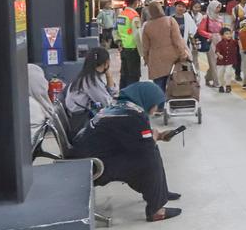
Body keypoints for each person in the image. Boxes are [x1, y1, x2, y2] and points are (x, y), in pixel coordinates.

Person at [69, 82, 183, 222]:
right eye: (155, 105)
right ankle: (157, 211)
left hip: (86, 159)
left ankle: (161, 193)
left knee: (151, 150)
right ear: (147, 99)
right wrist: (154, 137)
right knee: (150, 157)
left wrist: (158, 136)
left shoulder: (120, 107)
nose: (155, 110)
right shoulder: (133, 115)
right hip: (95, 166)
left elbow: (131, 138)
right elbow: (145, 148)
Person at [138, 1, 190, 94]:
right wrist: (183, 54)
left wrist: (146, 59)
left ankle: (161, 102)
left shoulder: (147, 26)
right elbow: (178, 40)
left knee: (159, 87)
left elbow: (145, 47)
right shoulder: (170, 20)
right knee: (173, 84)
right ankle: (171, 100)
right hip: (172, 58)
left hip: (156, 60)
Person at [62, 47, 115, 136]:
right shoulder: (90, 81)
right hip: (81, 125)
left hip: (78, 120)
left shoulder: (88, 76)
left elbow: (110, 93)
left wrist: (109, 76)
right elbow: (107, 103)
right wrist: (109, 76)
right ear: (106, 62)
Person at [197, 0, 225, 87]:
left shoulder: (220, 18)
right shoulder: (206, 18)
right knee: (213, 61)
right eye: (217, 7)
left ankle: (208, 77)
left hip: (220, 40)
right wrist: (209, 35)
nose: (218, 9)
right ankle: (216, 82)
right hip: (210, 40)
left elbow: (222, 29)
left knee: (219, 60)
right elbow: (200, 30)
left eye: (219, 7)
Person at [117, 0, 143, 87]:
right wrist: (142, 53)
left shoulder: (121, 15)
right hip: (133, 49)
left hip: (123, 48)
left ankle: (123, 93)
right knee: (133, 76)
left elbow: (115, 30)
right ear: (135, 2)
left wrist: (119, 42)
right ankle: (132, 94)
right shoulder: (134, 16)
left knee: (124, 74)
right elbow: (137, 35)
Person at [230, 0, 246, 81]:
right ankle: (237, 73)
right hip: (238, 35)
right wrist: (231, 34)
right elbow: (233, 22)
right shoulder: (235, 9)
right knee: (238, 56)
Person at [214, 28, 238, 93]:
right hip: (221, 62)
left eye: (230, 33)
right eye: (226, 34)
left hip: (229, 61)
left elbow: (239, 43)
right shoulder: (219, 44)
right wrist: (219, 55)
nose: (229, 35)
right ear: (222, 35)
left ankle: (228, 85)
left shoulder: (233, 42)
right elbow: (217, 51)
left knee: (228, 73)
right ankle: (221, 85)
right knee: (220, 74)